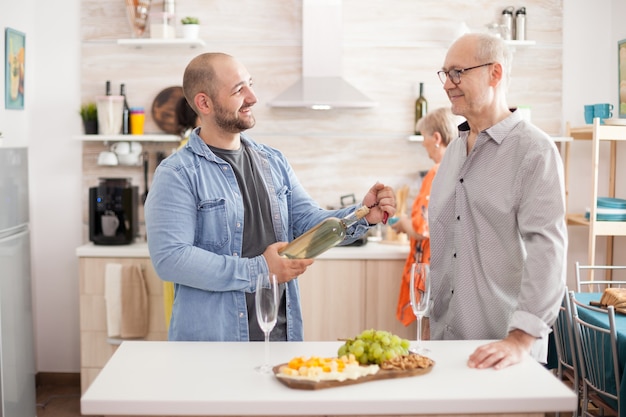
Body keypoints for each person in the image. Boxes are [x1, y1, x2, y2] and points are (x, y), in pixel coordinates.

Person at [144, 52, 396, 342]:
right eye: (239, 90)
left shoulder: (273, 162)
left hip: (280, 337)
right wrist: (260, 269)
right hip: (215, 346)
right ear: (204, 103)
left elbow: (308, 223)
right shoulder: (177, 173)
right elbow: (171, 259)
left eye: (250, 84)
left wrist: (363, 214)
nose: (253, 97)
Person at [429, 33, 567, 369]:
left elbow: (547, 251)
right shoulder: (451, 154)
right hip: (445, 346)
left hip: (504, 354)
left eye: (458, 72)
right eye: (445, 73)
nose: (448, 84)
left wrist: (520, 340)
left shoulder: (535, 151)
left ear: (495, 73)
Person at [393, 108, 457, 328]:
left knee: (429, 337)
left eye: (424, 138)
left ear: (436, 138)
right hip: (450, 270)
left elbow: (422, 229)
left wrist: (400, 222)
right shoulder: (458, 168)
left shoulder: (436, 172)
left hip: (431, 270)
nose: (422, 144)